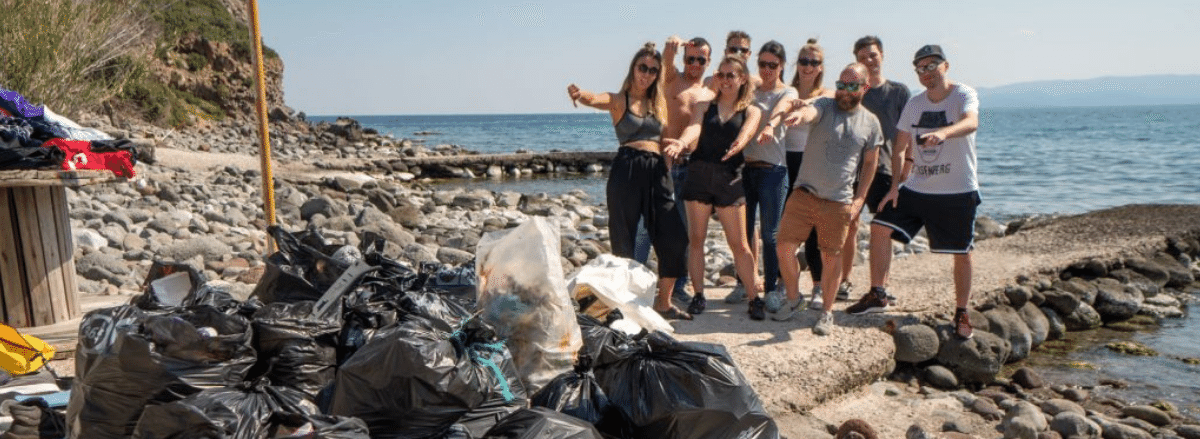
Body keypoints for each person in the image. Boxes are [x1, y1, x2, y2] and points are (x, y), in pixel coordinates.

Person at [858, 45, 981, 340]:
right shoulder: (914, 103)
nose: (925, 73)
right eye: (919, 68)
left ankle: (962, 310)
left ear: (945, 66)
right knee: (879, 226)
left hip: (957, 190)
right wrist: (895, 187)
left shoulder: (963, 94)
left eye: (931, 66)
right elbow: (899, 147)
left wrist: (943, 133)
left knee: (962, 252)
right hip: (916, 188)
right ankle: (878, 294)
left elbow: (971, 121)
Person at [566, 42, 692, 320]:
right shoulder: (619, 99)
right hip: (627, 170)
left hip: (657, 171)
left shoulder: (658, 104)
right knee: (623, 238)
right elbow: (595, 98)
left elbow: (658, 138)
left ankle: (664, 302)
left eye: (652, 70)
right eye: (642, 67)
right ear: (633, 68)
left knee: (675, 238)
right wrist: (580, 94)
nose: (646, 74)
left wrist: (675, 145)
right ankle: (622, 305)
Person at [771, 63, 882, 336]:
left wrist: (859, 200)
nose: (844, 91)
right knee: (784, 246)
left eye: (852, 86)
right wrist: (800, 116)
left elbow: (870, 164)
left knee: (831, 258)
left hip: (839, 201)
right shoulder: (825, 105)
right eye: (841, 84)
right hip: (804, 193)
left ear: (864, 88)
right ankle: (795, 298)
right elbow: (811, 110)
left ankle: (827, 312)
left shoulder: (870, 122)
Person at [664, 56, 764, 320]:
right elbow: (694, 128)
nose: (726, 80)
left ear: (743, 79)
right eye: (722, 74)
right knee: (696, 241)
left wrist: (739, 143)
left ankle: (754, 297)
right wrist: (681, 143)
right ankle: (698, 295)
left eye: (732, 75)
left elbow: (748, 132)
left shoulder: (751, 110)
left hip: (730, 178)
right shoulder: (703, 105)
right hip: (699, 175)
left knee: (740, 244)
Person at [834, 36, 912, 303]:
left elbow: (907, 132)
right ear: (857, 59)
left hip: (886, 168)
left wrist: (909, 163)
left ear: (882, 55)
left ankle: (881, 286)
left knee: (883, 228)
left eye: (873, 55)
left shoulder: (899, 92)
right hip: (851, 167)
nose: (870, 60)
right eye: (864, 56)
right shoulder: (854, 90)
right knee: (849, 225)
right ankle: (844, 281)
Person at [725, 40, 797, 313]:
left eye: (773, 65)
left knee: (770, 234)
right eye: (763, 64)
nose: (767, 69)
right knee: (742, 233)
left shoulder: (787, 91)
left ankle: (772, 290)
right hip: (745, 169)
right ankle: (746, 283)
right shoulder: (751, 89)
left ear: (781, 66)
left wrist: (770, 125)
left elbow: (783, 109)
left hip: (773, 171)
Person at [662, 35, 716, 312]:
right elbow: (666, 62)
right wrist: (670, 48)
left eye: (700, 59)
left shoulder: (710, 90)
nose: (694, 64)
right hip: (667, 162)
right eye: (690, 58)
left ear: (709, 61)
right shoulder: (672, 79)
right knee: (658, 226)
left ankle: (680, 286)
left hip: (694, 165)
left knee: (687, 231)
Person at [781, 38, 835, 311]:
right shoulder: (786, 90)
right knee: (785, 225)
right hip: (785, 161)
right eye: (803, 61)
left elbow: (829, 101)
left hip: (813, 163)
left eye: (813, 62)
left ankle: (817, 285)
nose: (807, 66)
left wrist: (805, 102)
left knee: (814, 227)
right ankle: (784, 282)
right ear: (796, 63)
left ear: (821, 67)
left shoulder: (827, 93)